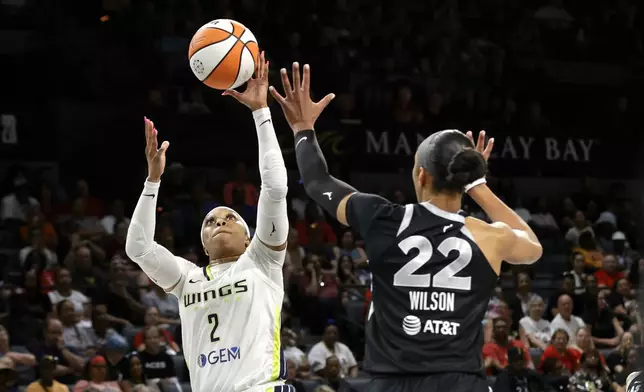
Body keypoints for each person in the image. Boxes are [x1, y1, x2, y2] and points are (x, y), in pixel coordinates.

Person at [269, 62, 543, 392]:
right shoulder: (488, 236)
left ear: (421, 175)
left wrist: (302, 129)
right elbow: (532, 246)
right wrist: (479, 187)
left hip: (390, 383)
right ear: (462, 180)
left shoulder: (383, 218)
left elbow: (316, 182)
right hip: (461, 383)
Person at [125, 52, 292, 392]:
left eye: (230, 217)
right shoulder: (187, 279)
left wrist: (261, 112)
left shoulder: (261, 260)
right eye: (211, 221)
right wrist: (152, 181)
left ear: (250, 239)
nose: (220, 221)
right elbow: (138, 247)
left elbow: (274, 187)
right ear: (202, 244)